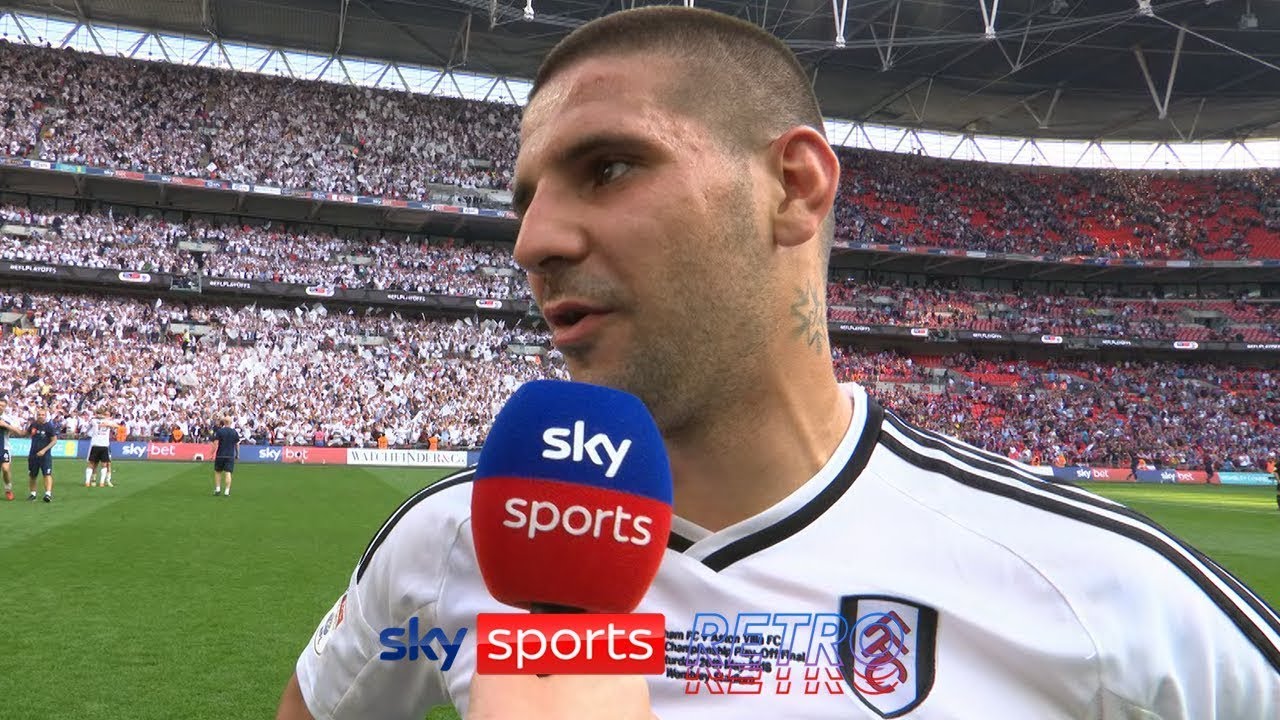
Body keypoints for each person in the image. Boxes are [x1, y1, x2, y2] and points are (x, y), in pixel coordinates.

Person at [277, 7, 1280, 720]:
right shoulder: (447, 544)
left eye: (609, 167)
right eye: (522, 199)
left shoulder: (1100, 593)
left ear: (793, 187)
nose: (531, 242)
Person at [27, 408, 58, 503]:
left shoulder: (49, 426)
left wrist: (44, 450)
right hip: (33, 454)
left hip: (45, 456)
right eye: (39, 414)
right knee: (32, 475)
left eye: (42, 415)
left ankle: (48, 494)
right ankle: (33, 494)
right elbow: (25, 433)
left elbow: (54, 440)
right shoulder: (33, 425)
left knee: (47, 474)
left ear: (45, 416)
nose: (40, 416)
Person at [84, 410, 120, 488]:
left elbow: (117, 426)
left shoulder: (95, 420)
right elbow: (117, 426)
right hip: (100, 445)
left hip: (99, 445)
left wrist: (106, 424)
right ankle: (95, 482)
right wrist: (107, 424)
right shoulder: (98, 420)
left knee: (98, 464)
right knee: (96, 464)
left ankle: (95, 482)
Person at [0, 399, 23, 501]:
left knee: (5, 469)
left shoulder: (7, 418)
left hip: (4, 447)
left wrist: (6, 425)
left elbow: (19, 432)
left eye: (3, 406)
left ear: (5, 407)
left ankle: (8, 489)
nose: (0, 407)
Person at [212, 416, 239, 497]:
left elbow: (216, 443)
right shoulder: (234, 432)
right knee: (228, 473)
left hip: (220, 455)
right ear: (230, 422)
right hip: (230, 455)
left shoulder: (220, 431)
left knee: (218, 472)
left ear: (223, 422)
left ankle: (218, 489)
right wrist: (237, 454)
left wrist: (212, 453)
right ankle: (227, 491)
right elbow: (237, 444)